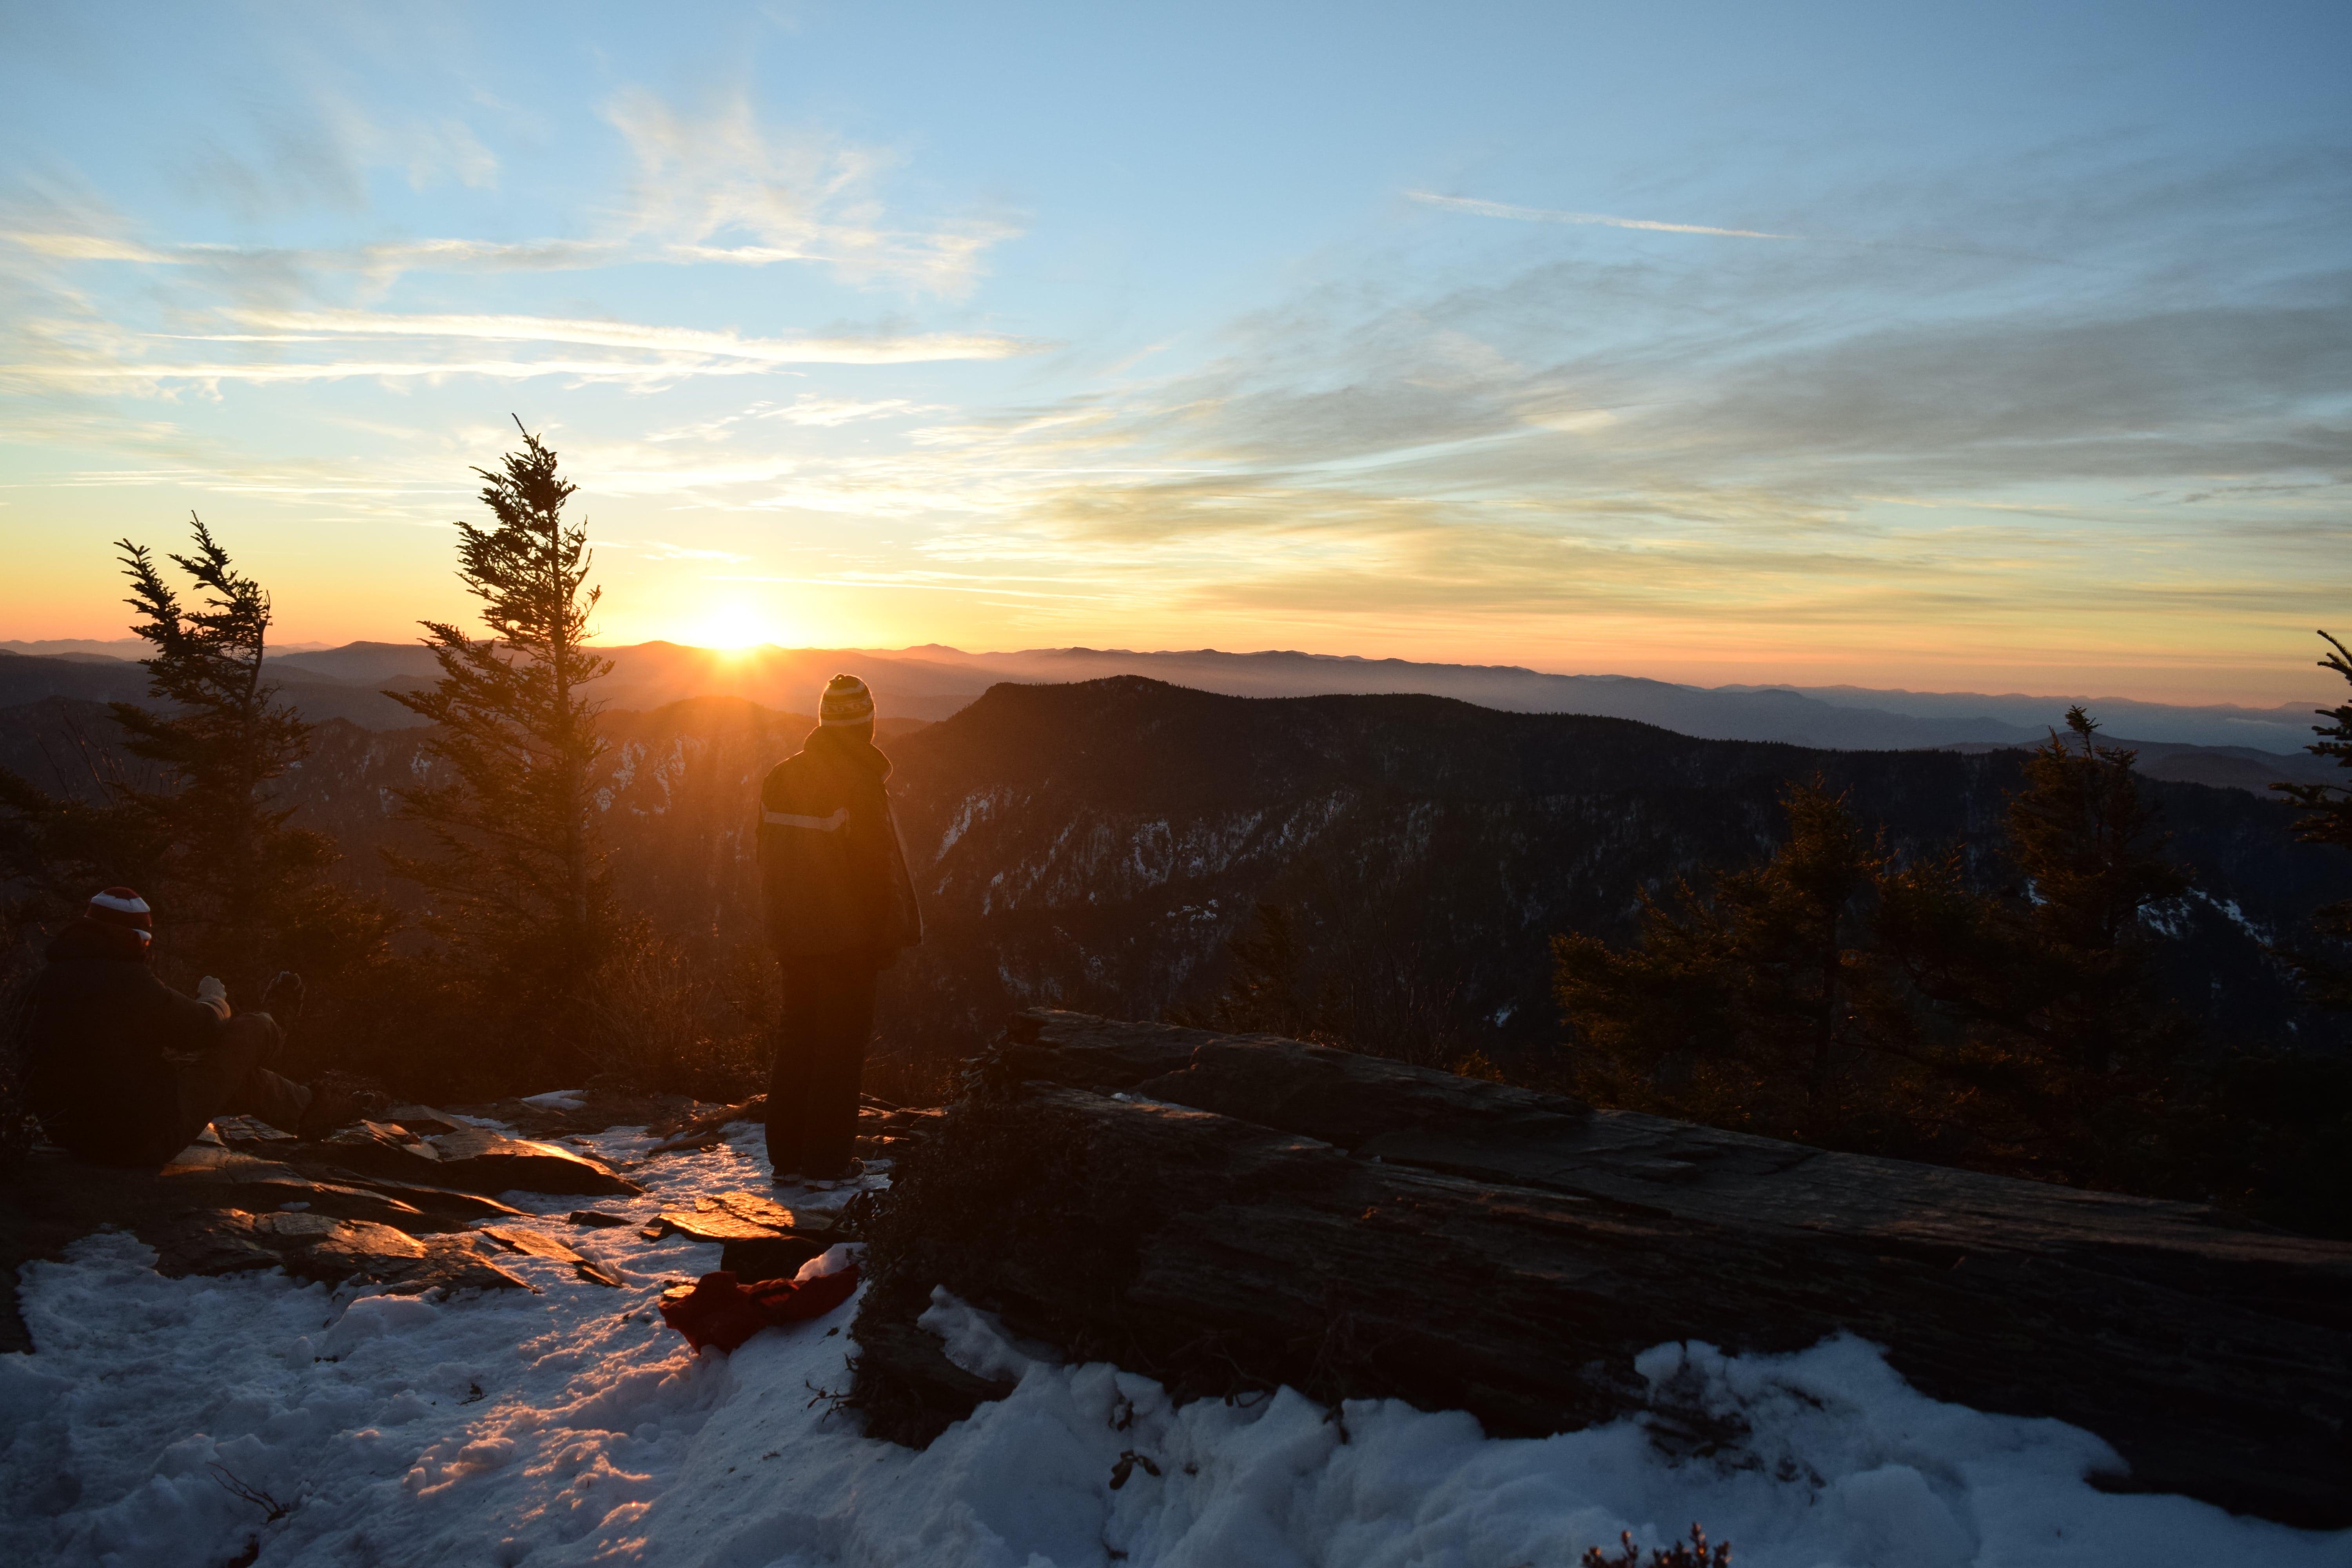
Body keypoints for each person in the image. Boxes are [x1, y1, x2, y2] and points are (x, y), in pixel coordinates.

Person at [20, 887, 342, 1167]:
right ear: (135, 939)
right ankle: (276, 1029)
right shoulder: (131, 983)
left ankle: (317, 1112)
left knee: (239, 1079)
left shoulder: (36, 985)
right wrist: (214, 998)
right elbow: (202, 1031)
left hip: (71, 1137)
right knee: (252, 1029)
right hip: (140, 1139)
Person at [756, 674, 922, 1183]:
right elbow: (878, 871)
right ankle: (827, 1163)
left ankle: (787, 1159)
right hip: (849, 941)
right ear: (867, 725)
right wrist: (884, 939)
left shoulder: (781, 777)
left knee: (798, 1041)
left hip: (795, 937)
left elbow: (766, 861)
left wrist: (781, 925)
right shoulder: (860, 783)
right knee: (840, 1050)